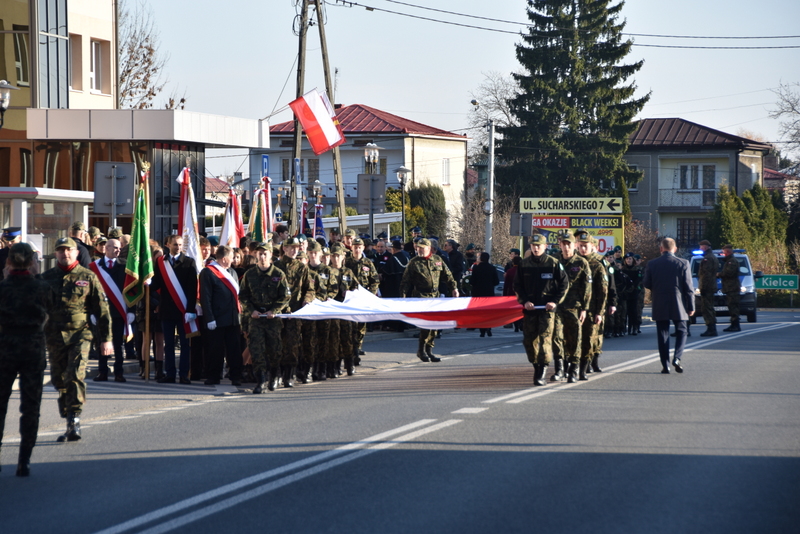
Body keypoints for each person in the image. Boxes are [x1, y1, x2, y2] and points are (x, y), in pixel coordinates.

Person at [41, 237, 113, 442]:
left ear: (76, 253)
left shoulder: (88, 276)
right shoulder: (46, 278)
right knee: (58, 379)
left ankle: (74, 419)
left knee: (74, 375)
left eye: (69, 250)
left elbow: (102, 310)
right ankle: (68, 416)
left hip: (80, 334)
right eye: (61, 251)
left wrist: (106, 339)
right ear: (55, 254)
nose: (65, 254)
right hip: (54, 336)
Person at [0, 243, 58, 476]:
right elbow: (53, 313)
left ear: (10, 262)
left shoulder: (2, 288)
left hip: (5, 348)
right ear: (32, 262)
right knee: (31, 405)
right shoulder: (42, 287)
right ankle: (24, 459)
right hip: (33, 348)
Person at [513, 233, 569, 386]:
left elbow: (564, 285)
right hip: (530, 310)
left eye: (539, 246)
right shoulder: (524, 264)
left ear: (545, 247)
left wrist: (555, 302)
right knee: (529, 342)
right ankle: (536, 366)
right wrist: (524, 301)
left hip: (547, 310)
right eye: (533, 246)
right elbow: (517, 286)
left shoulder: (553, 263)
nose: (536, 248)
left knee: (545, 340)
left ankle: (542, 372)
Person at [239, 241, 291, 393]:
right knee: (257, 350)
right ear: (255, 255)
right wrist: (251, 311)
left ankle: (273, 377)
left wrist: (274, 310)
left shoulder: (278, 274)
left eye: (265, 253)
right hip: (256, 319)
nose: (262, 256)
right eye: (259, 253)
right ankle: (260, 380)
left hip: (272, 320)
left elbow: (285, 296)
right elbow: (243, 296)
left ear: (270, 255)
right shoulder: (250, 274)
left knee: (274, 350)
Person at [400, 238, 459, 362]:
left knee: (435, 325)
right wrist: (403, 298)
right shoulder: (414, 262)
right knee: (426, 324)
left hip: (435, 296)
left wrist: (454, 288)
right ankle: (421, 350)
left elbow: (447, 276)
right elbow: (405, 282)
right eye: (418, 248)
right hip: (421, 297)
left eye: (422, 248)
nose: (419, 250)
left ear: (429, 248)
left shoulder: (437, 260)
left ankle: (429, 350)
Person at [151, 235, 198, 384]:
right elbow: (157, 284)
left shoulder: (189, 262)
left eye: (180, 244)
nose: (178, 247)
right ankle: (170, 373)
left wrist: (190, 310)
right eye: (175, 244)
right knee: (169, 344)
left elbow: (192, 289)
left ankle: (184, 374)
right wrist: (147, 282)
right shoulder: (161, 262)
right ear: (168, 245)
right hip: (166, 309)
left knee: (185, 344)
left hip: (183, 309)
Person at [643, 237, 695, 374]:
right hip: (678, 303)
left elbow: (646, 283)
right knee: (682, 330)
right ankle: (677, 358)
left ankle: (665, 365)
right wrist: (691, 306)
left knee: (662, 333)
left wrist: (657, 288)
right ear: (675, 249)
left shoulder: (652, 264)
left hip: (659, 301)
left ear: (661, 249)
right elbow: (689, 287)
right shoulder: (683, 263)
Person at [89, 238, 132, 383]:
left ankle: (118, 372)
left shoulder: (125, 266)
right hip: (101, 312)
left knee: (118, 344)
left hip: (119, 311)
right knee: (102, 342)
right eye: (114, 248)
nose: (118, 250)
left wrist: (131, 310)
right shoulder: (95, 267)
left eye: (119, 248)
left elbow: (130, 290)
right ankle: (103, 372)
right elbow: (89, 292)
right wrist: (91, 312)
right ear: (105, 249)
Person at [199, 245, 243, 386]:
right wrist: (210, 318)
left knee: (234, 350)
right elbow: (205, 297)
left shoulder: (232, 272)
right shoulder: (208, 272)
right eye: (231, 258)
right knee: (215, 350)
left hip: (233, 318)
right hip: (217, 319)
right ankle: (213, 376)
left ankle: (236, 376)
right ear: (224, 259)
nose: (233, 260)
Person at [576, 232, 609, 375]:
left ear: (591, 246)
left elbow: (604, 290)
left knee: (591, 338)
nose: (583, 249)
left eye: (585, 246)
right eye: (580, 246)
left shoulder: (598, 264)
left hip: (592, 307)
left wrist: (600, 311)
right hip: (575, 306)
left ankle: (589, 362)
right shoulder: (572, 262)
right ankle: (574, 366)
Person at [470, 252, 500, 337]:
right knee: (488, 311)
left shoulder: (476, 268)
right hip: (489, 293)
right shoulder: (492, 268)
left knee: (480, 311)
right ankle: (488, 327)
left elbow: (472, 281)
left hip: (478, 293)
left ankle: (482, 330)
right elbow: (496, 281)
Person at [697, 239, 720, 336]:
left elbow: (706, 274)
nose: (700, 248)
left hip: (707, 287)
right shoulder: (711, 257)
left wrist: (703, 288)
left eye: (701, 247)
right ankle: (711, 328)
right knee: (709, 307)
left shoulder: (708, 258)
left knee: (707, 308)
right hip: (710, 286)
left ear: (705, 247)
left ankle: (711, 328)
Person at [719, 244, 741, 332]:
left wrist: (718, 274)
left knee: (733, 307)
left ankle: (735, 325)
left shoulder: (732, 261)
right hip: (730, 287)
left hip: (732, 288)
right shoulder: (729, 261)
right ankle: (733, 324)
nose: (723, 254)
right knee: (731, 306)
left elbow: (728, 273)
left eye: (724, 252)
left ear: (727, 252)